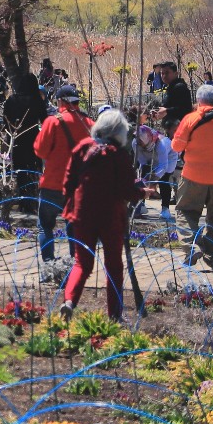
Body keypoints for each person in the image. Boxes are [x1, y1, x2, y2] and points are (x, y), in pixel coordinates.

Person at [57, 109, 141, 320]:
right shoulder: (119, 155)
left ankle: (69, 301)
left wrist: (73, 202)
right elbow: (127, 191)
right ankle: (114, 315)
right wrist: (142, 192)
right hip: (110, 216)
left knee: (81, 263)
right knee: (113, 265)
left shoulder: (83, 148)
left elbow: (67, 182)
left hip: (83, 213)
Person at [172, 84, 213, 271]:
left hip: (193, 176)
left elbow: (176, 147)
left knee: (185, 211)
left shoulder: (191, 119)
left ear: (198, 101)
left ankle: (191, 245)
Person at [34, 82, 92, 268]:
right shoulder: (89, 123)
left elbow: (40, 151)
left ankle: (49, 265)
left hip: (52, 182)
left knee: (45, 225)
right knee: (74, 226)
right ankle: (76, 266)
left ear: (60, 101)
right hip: (78, 185)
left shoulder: (53, 121)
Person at [1, 70, 48, 216]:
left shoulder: (11, 100)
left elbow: (5, 121)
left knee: (20, 172)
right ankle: (33, 201)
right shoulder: (37, 100)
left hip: (16, 140)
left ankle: (23, 202)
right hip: (34, 139)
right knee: (34, 171)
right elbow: (45, 120)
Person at [131, 120, 177, 219]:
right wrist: (148, 178)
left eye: (140, 141)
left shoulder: (162, 145)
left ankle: (165, 209)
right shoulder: (135, 143)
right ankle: (141, 205)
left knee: (163, 179)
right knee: (144, 177)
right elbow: (143, 162)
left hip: (168, 156)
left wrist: (155, 178)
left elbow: (163, 166)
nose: (138, 142)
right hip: (150, 156)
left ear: (147, 139)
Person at [159, 63, 194, 133]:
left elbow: (185, 109)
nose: (164, 76)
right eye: (162, 73)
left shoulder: (179, 87)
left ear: (176, 73)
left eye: (167, 73)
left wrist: (167, 110)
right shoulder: (170, 88)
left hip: (180, 130)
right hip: (171, 130)